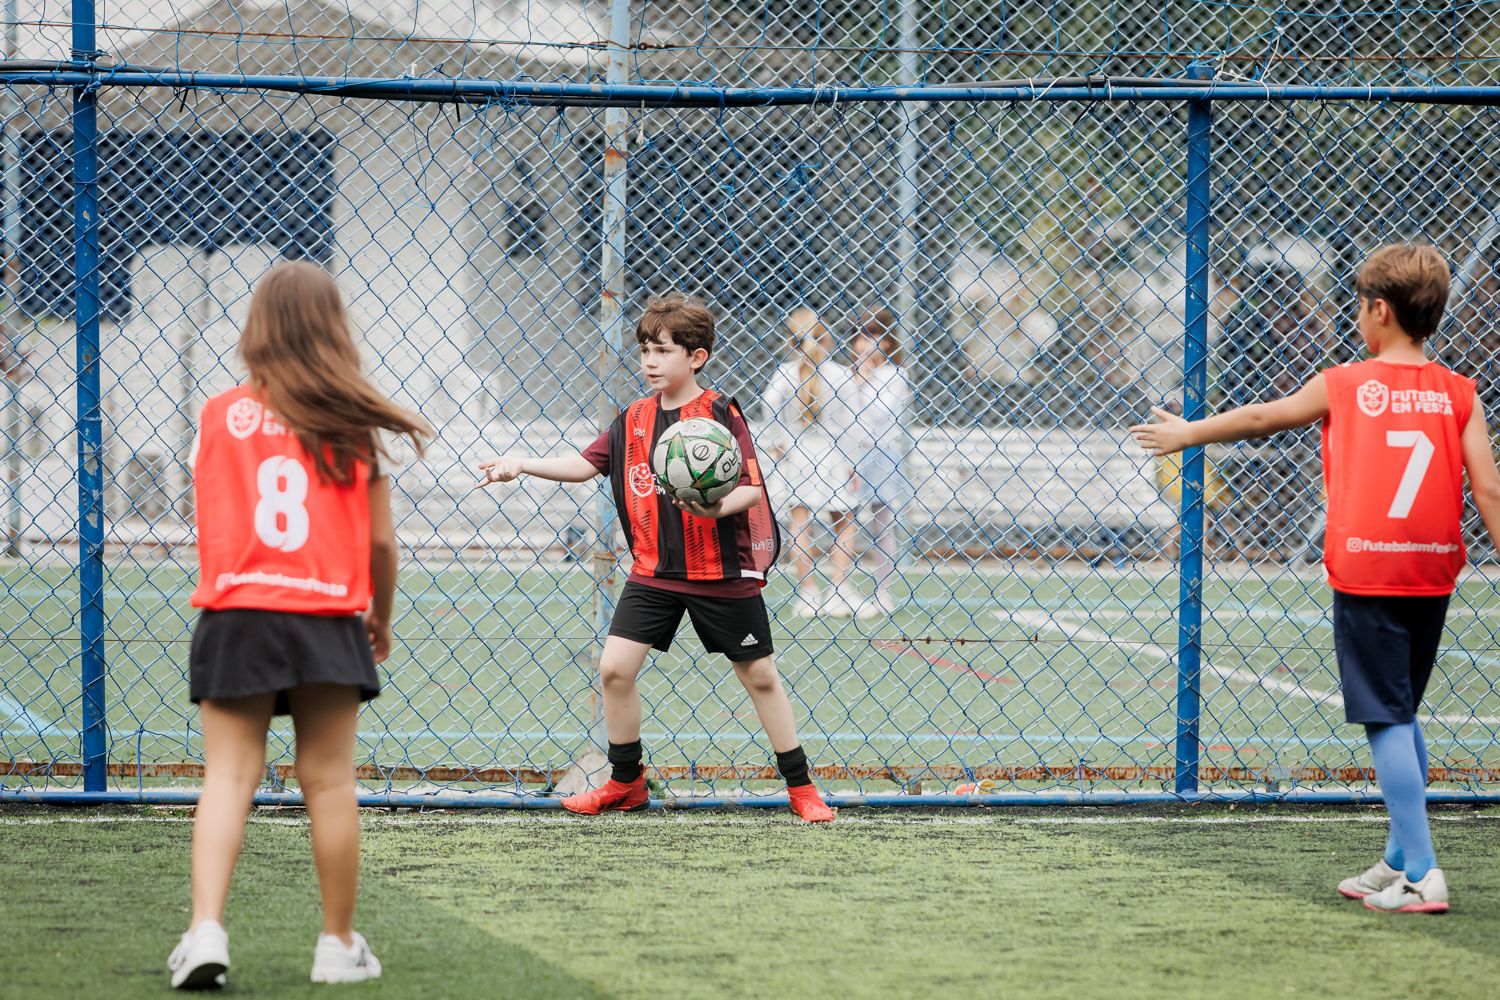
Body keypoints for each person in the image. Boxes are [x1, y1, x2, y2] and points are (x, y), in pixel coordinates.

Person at [1131, 244, 1500, 915]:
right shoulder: (1460, 394)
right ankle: (1396, 857)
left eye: (1359, 307)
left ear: (1379, 311)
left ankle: (1421, 871)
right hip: (1431, 571)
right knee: (1401, 708)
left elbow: (1261, 417)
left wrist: (1189, 435)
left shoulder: (1344, 383)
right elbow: (1491, 490)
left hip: (1367, 571)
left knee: (1385, 717)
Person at [168, 261, 432, 989]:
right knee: (328, 781)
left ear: (257, 329)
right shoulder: (350, 419)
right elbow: (381, 544)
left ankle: (205, 932)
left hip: (237, 611)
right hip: (324, 615)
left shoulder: (218, 413)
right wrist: (379, 616)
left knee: (227, 776)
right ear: (333, 328)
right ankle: (336, 944)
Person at [476, 293, 836, 823]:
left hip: (719, 571)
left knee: (759, 676)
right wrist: (521, 464)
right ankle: (626, 782)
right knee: (615, 670)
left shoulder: (717, 413)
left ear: (696, 356)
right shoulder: (634, 419)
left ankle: (801, 788)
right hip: (654, 572)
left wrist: (713, 508)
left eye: (662, 350)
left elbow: (750, 490)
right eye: (644, 350)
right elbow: (583, 464)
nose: (649, 361)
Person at [757, 307, 867, 617]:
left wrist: (779, 441)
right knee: (844, 520)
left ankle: (808, 594)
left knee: (799, 523)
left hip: (797, 455)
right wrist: (852, 461)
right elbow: (851, 421)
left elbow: (768, 405)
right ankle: (839, 590)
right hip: (833, 453)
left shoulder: (786, 373)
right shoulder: (839, 374)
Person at [846, 307, 912, 615]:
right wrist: (856, 380)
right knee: (844, 521)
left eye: (872, 336)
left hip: (883, 452)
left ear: (886, 342)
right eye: (860, 336)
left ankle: (883, 589)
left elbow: (878, 413)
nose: (864, 344)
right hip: (851, 453)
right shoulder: (846, 374)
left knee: (882, 523)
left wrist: (864, 381)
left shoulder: (895, 375)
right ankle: (841, 585)